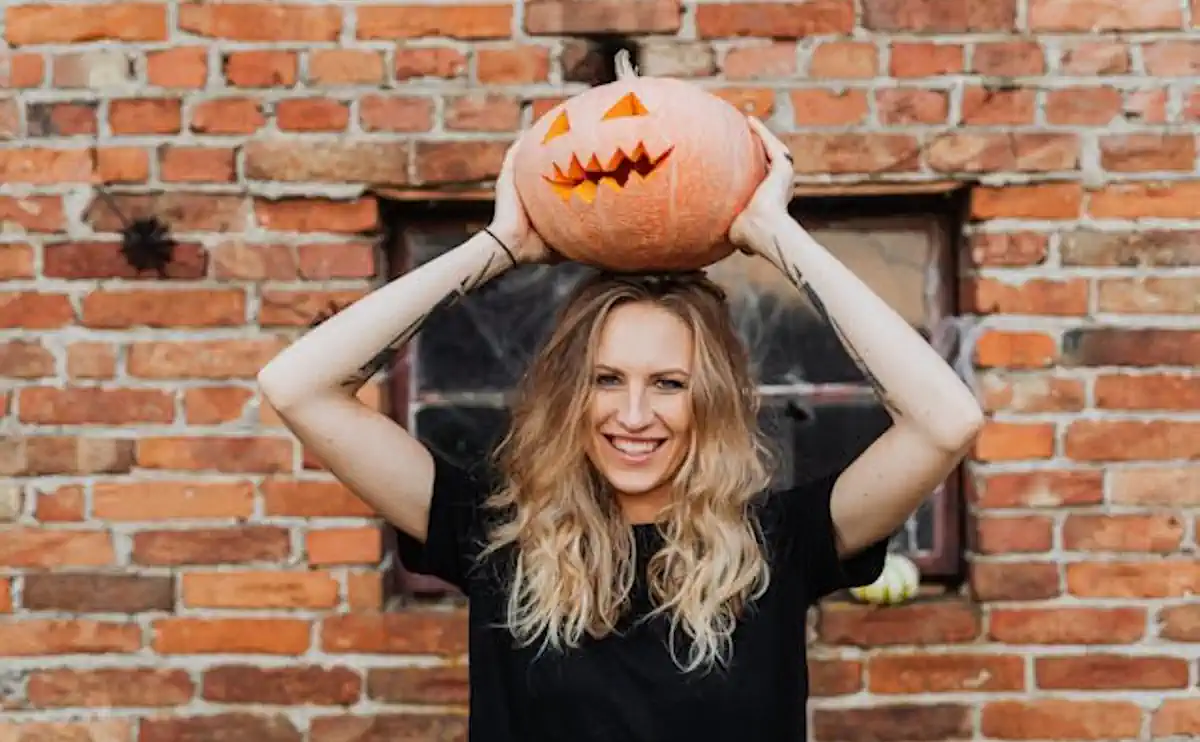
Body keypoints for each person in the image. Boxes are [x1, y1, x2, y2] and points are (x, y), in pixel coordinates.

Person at [257, 118, 984, 742]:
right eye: (607, 380)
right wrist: (499, 246)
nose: (633, 416)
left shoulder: (777, 543)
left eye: (668, 384)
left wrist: (774, 235)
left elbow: (946, 421)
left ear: (712, 399)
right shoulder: (498, 536)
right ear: (571, 393)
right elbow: (299, 386)